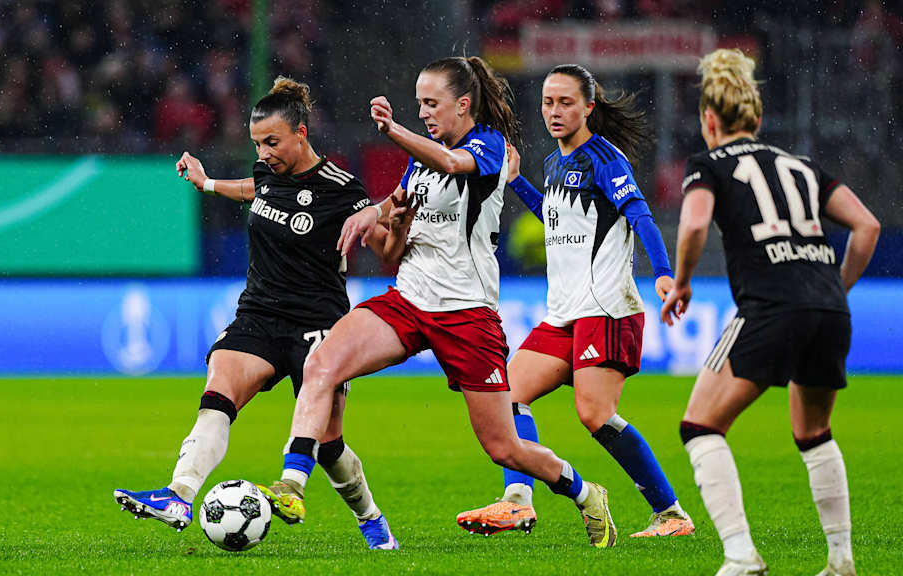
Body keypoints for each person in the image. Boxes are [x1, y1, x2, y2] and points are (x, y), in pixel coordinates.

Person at [256, 56, 618, 549]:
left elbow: (449, 162)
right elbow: (398, 218)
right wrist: (376, 217)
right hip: (408, 301)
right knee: (322, 364)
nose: (424, 112)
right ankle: (292, 484)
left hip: (468, 316)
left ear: (462, 105)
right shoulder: (418, 160)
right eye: (419, 104)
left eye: (432, 104)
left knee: (503, 447)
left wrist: (393, 130)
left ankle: (583, 491)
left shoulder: (488, 146)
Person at [113, 77, 400, 550]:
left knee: (328, 447)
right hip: (259, 314)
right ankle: (179, 494)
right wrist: (207, 184)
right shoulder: (267, 173)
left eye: (272, 142)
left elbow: (384, 242)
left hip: (319, 324)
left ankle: (371, 519)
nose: (264, 153)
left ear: (301, 135)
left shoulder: (340, 188)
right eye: (257, 144)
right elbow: (256, 189)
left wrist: (395, 222)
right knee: (217, 395)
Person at [661, 49, 879, 576]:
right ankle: (841, 559)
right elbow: (867, 226)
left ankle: (740, 556)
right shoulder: (803, 167)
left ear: (709, 120)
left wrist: (683, 281)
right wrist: (834, 286)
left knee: (700, 427)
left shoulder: (708, 165)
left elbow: (692, 226)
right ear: (757, 119)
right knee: (814, 434)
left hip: (769, 305)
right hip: (828, 307)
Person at [456, 64, 695, 539]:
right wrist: (516, 181)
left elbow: (642, 217)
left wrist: (665, 274)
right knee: (508, 396)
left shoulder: (606, 159)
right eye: (548, 102)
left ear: (588, 107)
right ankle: (517, 502)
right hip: (564, 313)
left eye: (566, 102)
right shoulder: (554, 163)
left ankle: (671, 515)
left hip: (606, 308)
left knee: (595, 415)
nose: (555, 111)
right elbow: (559, 219)